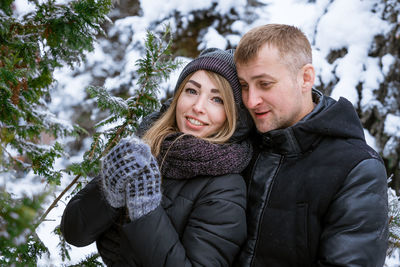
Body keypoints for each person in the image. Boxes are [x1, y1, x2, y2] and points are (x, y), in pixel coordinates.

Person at [60, 48, 254, 266]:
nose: (198, 107)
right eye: (191, 91)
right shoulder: (147, 144)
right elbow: (74, 232)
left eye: (217, 99)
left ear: (235, 115)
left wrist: (146, 211)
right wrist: (109, 189)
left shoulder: (226, 187)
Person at [233, 24, 388, 267]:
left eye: (264, 84)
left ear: (305, 78)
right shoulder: (241, 140)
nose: (251, 100)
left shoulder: (355, 169)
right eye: (243, 85)